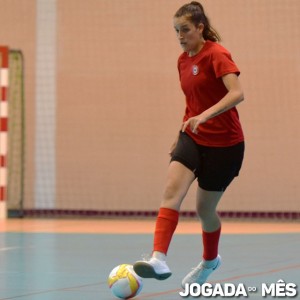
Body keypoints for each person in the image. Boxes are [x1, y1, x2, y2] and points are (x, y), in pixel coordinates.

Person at [133, 1, 245, 287]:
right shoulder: (183, 60)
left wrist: (205, 116)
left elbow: (237, 94)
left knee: (204, 211)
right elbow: (192, 102)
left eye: (185, 30)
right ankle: (158, 257)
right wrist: (181, 131)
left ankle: (210, 261)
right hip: (193, 137)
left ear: (200, 28)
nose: (180, 36)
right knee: (171, 191)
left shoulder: (217, 54)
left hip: (226, 145)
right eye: (176, 31)